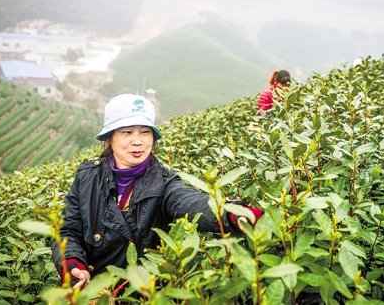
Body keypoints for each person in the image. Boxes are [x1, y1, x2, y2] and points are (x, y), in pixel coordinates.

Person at [51, 94, 262, 289]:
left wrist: (235, 214)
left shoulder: (164, 182)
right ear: (109, 138)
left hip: (142, 292)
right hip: (93, 291)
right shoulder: (88, 177)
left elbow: (189, 202)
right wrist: (72, 263)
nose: (138, 141)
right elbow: (68, 231)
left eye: (145, 132)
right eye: (127, 132)